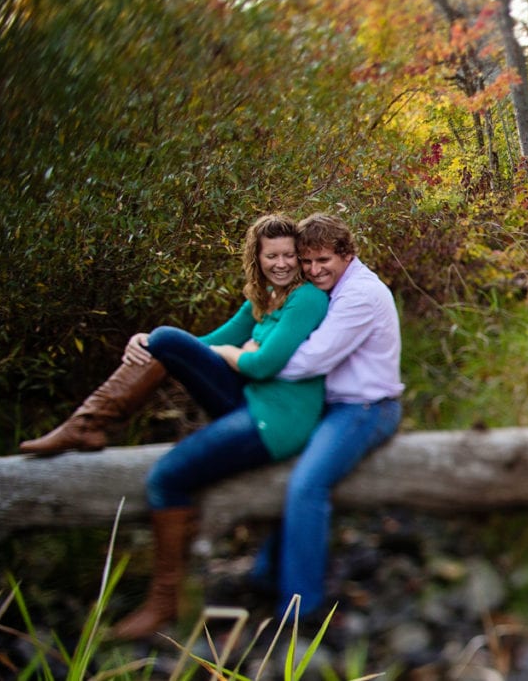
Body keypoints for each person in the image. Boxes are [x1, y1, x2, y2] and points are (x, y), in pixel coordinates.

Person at [18, 213, 330, 640]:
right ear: (256, 259)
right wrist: (146, 344)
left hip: (277, 418)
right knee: (163, 339)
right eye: (271, 255)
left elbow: (264, 363)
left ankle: (166, 601)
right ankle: (88, 423)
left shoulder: (306, 299)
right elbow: (198, 347)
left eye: (289, 255)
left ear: (299, 255)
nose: (281, 263)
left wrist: (227, 351)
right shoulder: (264, 297)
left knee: (166, 478)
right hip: (251, 400)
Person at [249, 211, 404, 620]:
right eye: (308, 262)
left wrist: (257, 360)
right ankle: (265, 575)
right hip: (335, 408)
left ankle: (301, 605)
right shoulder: (336, 288)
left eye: (324, 261)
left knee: (306, 487)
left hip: (366, 409)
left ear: (347, 254)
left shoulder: (360, 295)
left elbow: (311, 360)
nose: (315, 270)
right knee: (289, 476)